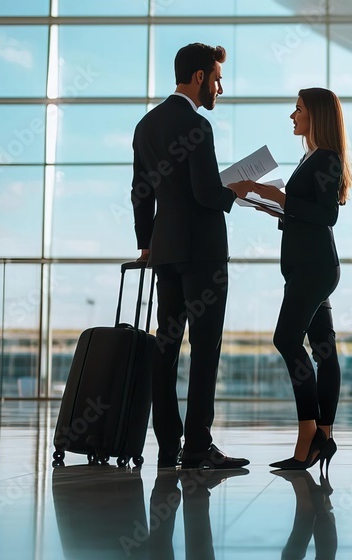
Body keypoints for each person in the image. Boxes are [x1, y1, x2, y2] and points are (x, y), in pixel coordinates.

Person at [132, 42, 254, 470]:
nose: (220, 87)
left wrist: (146, 242)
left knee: (166, 347)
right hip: (202, 253)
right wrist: (234, 192)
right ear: (199, 77)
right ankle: (198, 446)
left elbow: (140, 191)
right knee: (204, 347)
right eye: (217, 78)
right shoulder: (198, 127)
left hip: (165, 252)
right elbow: (206, 193)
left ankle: (168, 445)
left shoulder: (146, 126)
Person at [229, 87, 352, 471]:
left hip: (314, 268)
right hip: (307, 265)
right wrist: (275, 208)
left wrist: (275, 196)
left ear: (315, 115)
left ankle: (308, 432)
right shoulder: (311, 156)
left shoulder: (327, 158)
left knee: (286, 339)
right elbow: (309, 212)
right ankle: (325, 437)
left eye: (297, 109)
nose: (292, 115)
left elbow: (328, 215)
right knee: (323, 349)